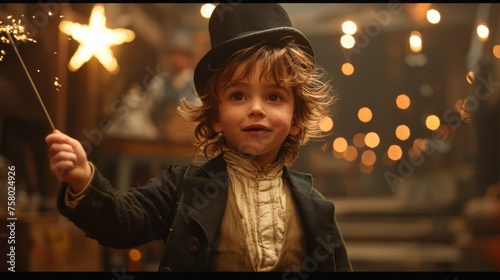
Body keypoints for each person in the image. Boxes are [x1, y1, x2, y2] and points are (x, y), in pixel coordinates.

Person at [45, 3, 352, 272]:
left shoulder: (316, 208)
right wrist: (84, 180)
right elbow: (123, 223)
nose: (256, 108)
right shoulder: (184, 189)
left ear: (296, 119)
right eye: (238, 95)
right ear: (216, 117)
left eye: (274, 96)